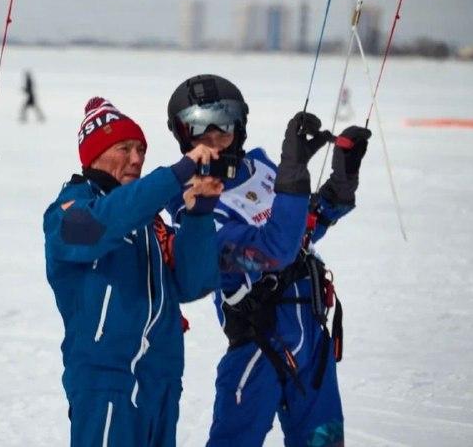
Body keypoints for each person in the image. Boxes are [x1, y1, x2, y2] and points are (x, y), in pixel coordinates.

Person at [165, 75, 372, 447]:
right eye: (199, 129)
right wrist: (293, 176)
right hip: (258, 349)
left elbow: (298, 231)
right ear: (183, 136)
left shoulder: (259, 169)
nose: (213, 140)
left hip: (310, 342)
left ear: (239, 126)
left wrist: (340, 184)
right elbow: (272, 253)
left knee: (324, 442)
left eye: (223, 124)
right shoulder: (193, 207)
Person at [43, 97, 223, 446]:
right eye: (124, 148)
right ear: (94, 154)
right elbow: (99, 226)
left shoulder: (148, 223)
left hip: (162, 383)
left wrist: (199, 216)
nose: (137, 158)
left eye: (141, 149)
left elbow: (193, 282)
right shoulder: (67, 211)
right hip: (106, 384)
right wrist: (174, 175)